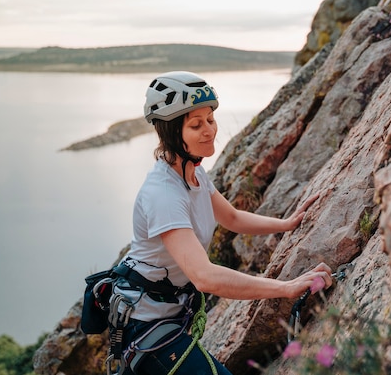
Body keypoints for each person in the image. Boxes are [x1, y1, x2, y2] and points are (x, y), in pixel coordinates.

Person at [110, 71, 332, 375]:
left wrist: (287, 224)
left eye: (210, 120)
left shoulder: (194, 174)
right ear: (171, 133)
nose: (209, 131)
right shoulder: (163, 194)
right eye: (195, 125)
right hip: (148, 329)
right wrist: (286, 287)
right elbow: (204, 277)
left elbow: (232, 218)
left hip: (170, 320)